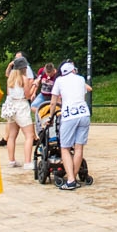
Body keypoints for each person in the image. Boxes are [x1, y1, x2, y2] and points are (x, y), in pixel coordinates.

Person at [50, 61, 91, 191]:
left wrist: (51, 117)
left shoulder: (59, 81)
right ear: (73, 70)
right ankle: (74, 178)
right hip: (83, 113)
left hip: (69, 115)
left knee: (65, 148)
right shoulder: (81, 79)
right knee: (79, 148)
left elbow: (53, 102)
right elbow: (83, 96)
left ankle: (71, 179)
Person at [0, 67, 35, 169]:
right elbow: (28, 95)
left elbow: (9, 94)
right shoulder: (24, 78)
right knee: (29, 135)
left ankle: (11, 160)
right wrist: (35, 85)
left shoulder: (10, 79)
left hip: (12, 106)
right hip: (21, 105)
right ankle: (27, 162)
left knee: (12, 135)